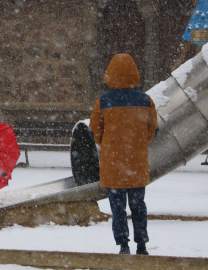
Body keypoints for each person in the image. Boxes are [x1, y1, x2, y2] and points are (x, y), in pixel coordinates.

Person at [89, 54, 158, 255]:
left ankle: (123, 244)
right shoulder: (146, 100)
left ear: (110, 74)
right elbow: (152, 131)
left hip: (113, 166)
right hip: (136, 164)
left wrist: (110, 145)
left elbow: (95, 132)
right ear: (134, 73)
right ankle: (142, 244)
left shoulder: (103, 102)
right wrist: (136, 145)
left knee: (118, 209)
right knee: (139, 206)